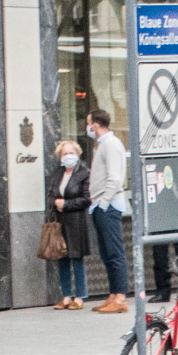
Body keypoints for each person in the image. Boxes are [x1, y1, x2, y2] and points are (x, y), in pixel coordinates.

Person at [85, 108, 130, 313]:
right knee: (106, 251)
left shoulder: (110, 144)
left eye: (88, 123)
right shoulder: (103, 145)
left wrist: (103, 203)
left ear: (95, 124)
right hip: (101, 204)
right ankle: (113, 294)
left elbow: (114, 177)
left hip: (108, 204)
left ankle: (120, 297)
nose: (88, 128)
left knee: (114, 250)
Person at [47, 134, 91, 308]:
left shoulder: (84, 173)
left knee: (77, 259)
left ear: (78, 154)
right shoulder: (57, 173)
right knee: (62, 259)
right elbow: (50, 194)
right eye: (65, 153)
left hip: (76, 221)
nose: (68, 156)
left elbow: (86, 199)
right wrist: (55, 205)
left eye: (71, 152)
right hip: (60, 222)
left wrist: (66, 204)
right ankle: (66, 296)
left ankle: (79, 297)